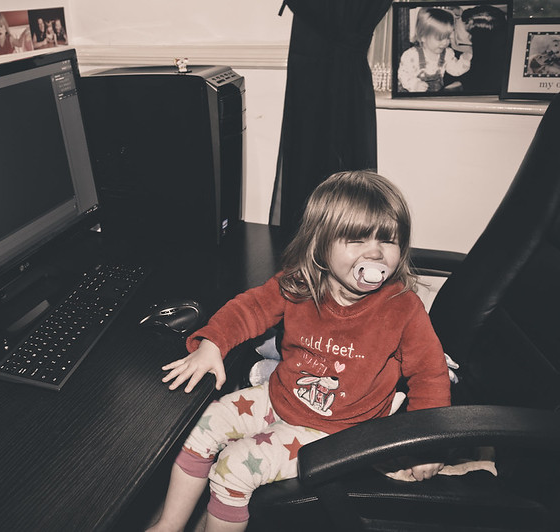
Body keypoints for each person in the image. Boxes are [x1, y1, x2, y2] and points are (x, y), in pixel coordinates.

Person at [149, 171, 451, 532]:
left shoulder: (403, 308)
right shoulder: (300, 284)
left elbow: (430, 375)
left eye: (388, 240)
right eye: (356, 239)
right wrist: (213, 343)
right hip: (280, 396)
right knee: (199, 427)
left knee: (235, 467)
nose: (375, 252)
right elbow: (250, 309)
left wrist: (427, 448)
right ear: (320, 244)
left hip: (338, 434)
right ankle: (168, 525)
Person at [397, 7, 472, 92]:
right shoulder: (411, 55)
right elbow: (403, 75)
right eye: (440, 39)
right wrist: (415, 84)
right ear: (423, 37)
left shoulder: (447, 53)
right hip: (414, 94)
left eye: (447, 37)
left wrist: (465, 60)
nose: (445, 42)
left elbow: (455, 70)